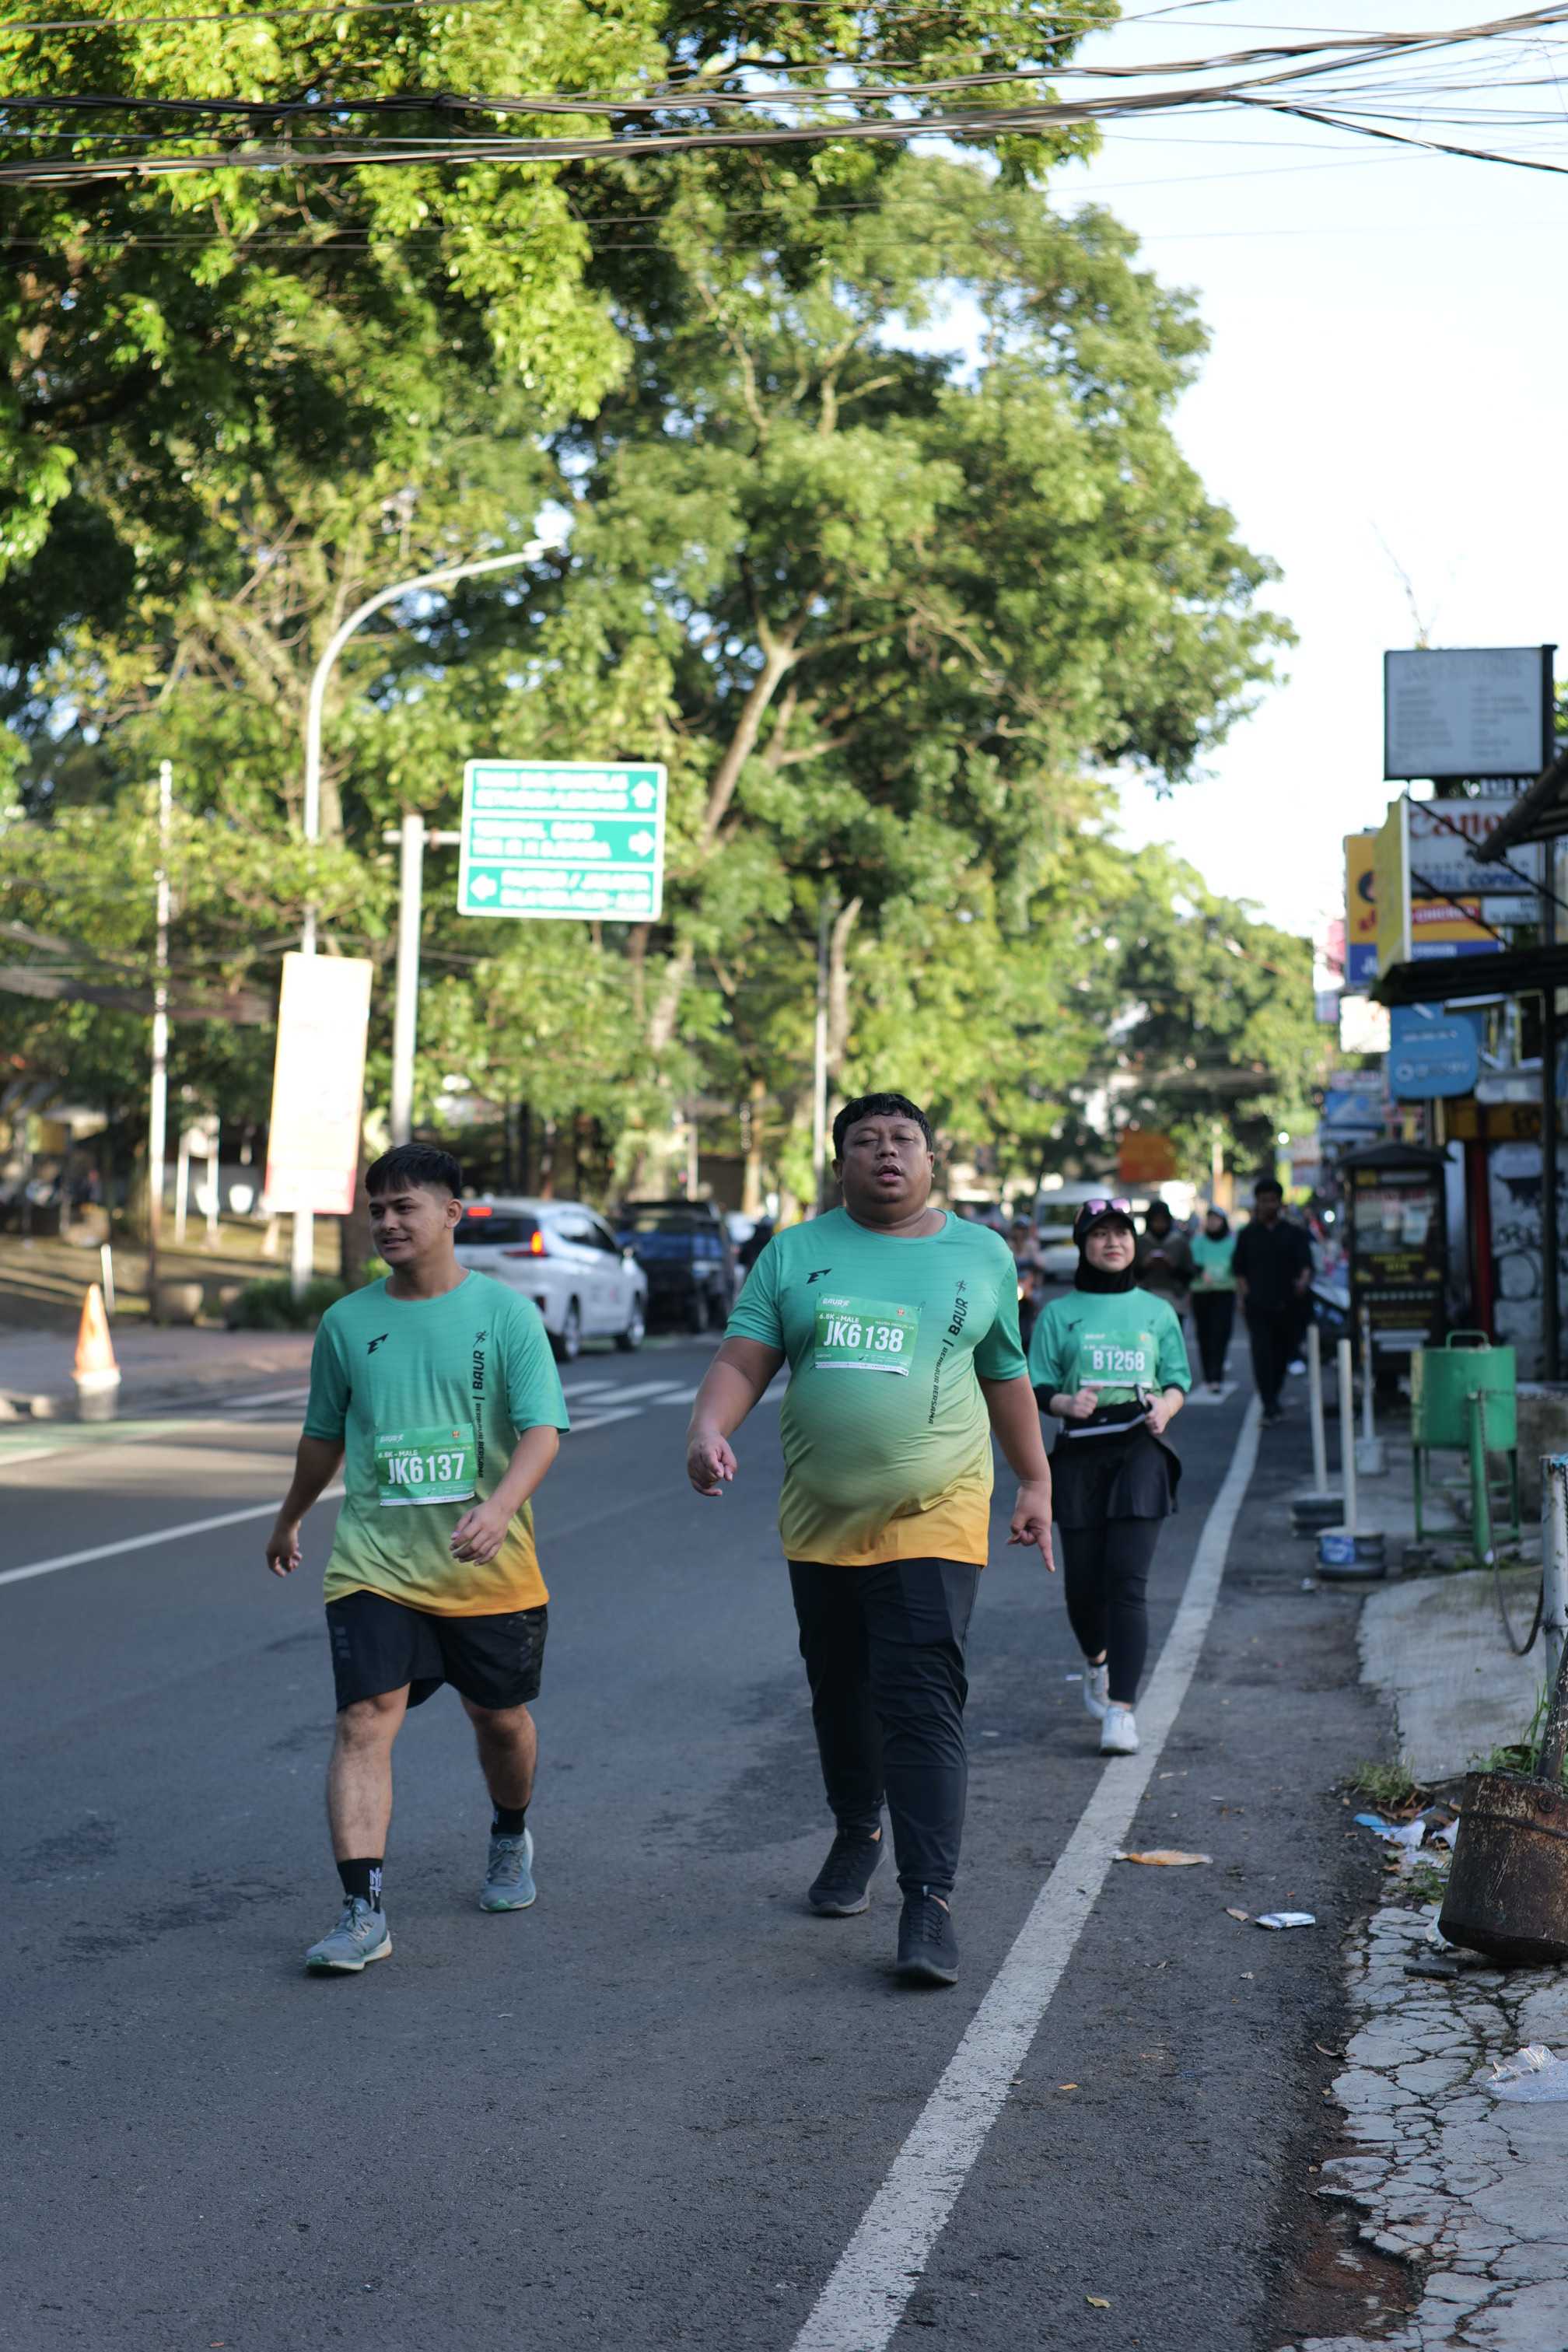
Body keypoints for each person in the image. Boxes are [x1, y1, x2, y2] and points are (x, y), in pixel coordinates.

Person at [684, 1090, 1054, 1988]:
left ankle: (929, 1901)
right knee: (842, 1693)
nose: (887, 1152)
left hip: (937, 1513)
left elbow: (1003, 1372)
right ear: (840, 1160)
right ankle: (858, 1829)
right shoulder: (793, 1253)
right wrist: (708, 1427)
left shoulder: (981, 1254)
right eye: (866, 1141)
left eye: (904, 1140)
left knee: (921, 1700)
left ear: (931, 1159)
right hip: (821, 1521)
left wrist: (1036, 1479)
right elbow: (743, 1359)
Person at [265, 1143, 571, 1973]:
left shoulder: (506, 1316)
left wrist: (499, 1509)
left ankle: (510, 1833)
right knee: (364, 1720)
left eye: (406, 1206)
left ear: (451, 1214)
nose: (388, 1222)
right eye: (378, 1209)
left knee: (499, 1719)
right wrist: (290, 1518)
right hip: (375, 1562)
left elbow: (543, 1430)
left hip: (487, 1567)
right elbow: (323, 1436)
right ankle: (362, 1910)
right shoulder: (347, 1322)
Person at [1027, 1199, 1191, 1757]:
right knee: (1083, 1586)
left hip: (1140, 1451)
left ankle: (1121, 1709)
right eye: (1100, 1234)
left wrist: (1167, 1407)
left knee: (1127, 1581)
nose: (1113, 1242)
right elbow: (1036, 1385)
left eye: (1122, 1233)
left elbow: (1177, 1380)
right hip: (1079, 1454)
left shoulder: (1157, 1311)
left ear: (1135, 1244)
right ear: (1083, 1245)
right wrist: (1064, 1403)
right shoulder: (1058, 1314)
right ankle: (1096, 1662)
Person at [1233, 1176, 1314, 1426]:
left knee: (1282, 1354)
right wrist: (1244, 1296)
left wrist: (1302, 1283)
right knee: (1262, 1355)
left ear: (1280, 1202)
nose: (1268, 1205)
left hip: (1288, 1306)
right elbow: (1239, 1270)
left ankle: (1273, 1397)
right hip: (1258, 1306)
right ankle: (1268, 1404)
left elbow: (1306, 1265)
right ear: (1257, 1203)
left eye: (1272, 1200)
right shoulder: (1247, 1234)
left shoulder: (1294, 1233)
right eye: (1263, 1200)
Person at [1188, 1206, 1237, 1393]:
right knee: (1205, 1335)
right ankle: (1209, 1375)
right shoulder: (1198, 1241)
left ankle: (1217, 1375)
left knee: (1221, 1334)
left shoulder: (1232, 1243)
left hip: (1225, 1294)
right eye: (1210, 1219)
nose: (1213, 1223)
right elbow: (1193, 1264)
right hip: (1202, 1294)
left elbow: (1237, 1266)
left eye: (1217, 1219)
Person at [1134, 1199, 1194, 1319]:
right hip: (1146, 1296)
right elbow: (1133, 1274)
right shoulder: (1141, 1243)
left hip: (1175, 1299)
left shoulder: (1180, 1242)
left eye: (1163, 1221)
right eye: (1155, 1221)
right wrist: (1145, 1264)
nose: (1159, 1225)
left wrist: (1172, 1265)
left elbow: (1189, 1273)